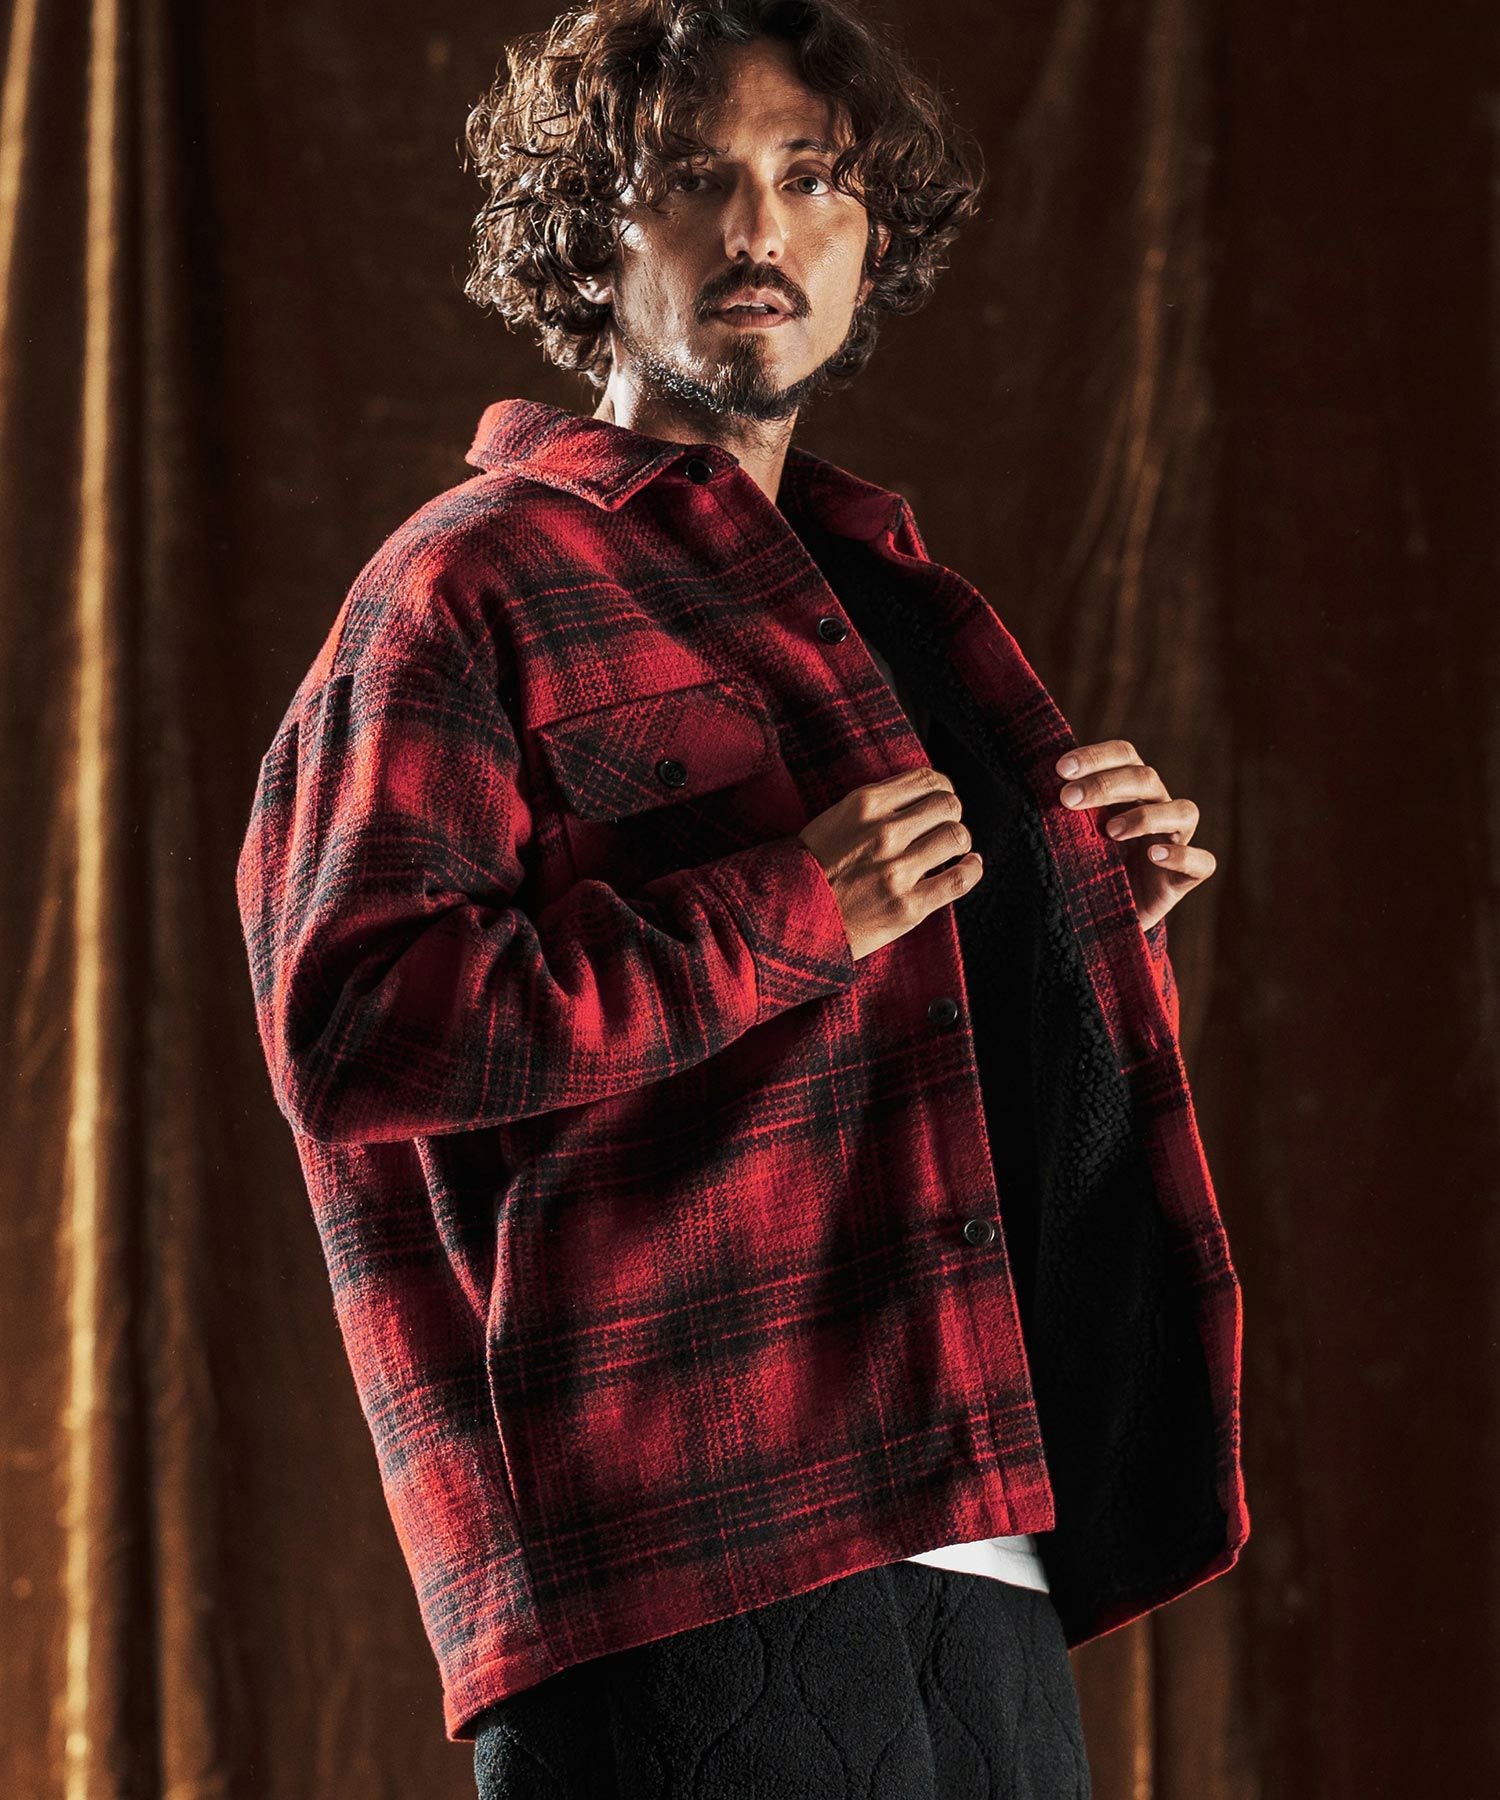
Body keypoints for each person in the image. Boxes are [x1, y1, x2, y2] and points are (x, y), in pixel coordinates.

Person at [234, 2, 1249, 1794]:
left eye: (814, 178)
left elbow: (886, 1052)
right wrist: (795, 912)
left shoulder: (897, 610)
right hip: (686, 1560)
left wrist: (1077, 922)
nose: (760, 230)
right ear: (588, 234)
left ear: (874, 236)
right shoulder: (464, 586)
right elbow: (357, 1024)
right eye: (693, 179)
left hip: (986, 1529)